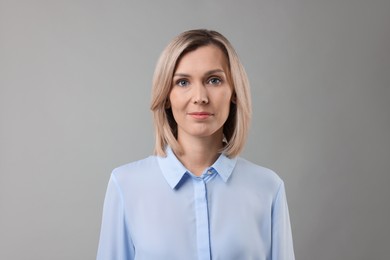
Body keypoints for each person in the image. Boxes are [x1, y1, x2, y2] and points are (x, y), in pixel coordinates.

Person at [97, 29, 295, 260]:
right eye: (182, 82)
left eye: (214, 80)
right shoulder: (126, 185)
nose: (200, 96)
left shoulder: (268, 188)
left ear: (234, 92)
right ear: (166, 96)